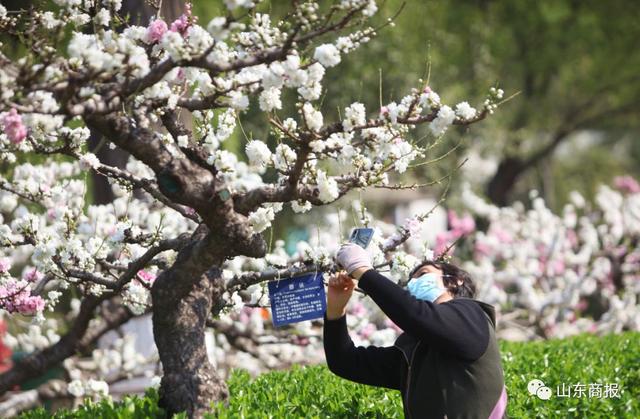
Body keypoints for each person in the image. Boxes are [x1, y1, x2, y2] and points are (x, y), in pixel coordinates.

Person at [323, 243, 508, 419]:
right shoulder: (413, 349)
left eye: (423, 274)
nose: (413, 283)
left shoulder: (471, 315)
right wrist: (335, 311)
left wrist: (361, 269)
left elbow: (413, 313)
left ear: (455, 281)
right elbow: (344, 361)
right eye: (410, 281)